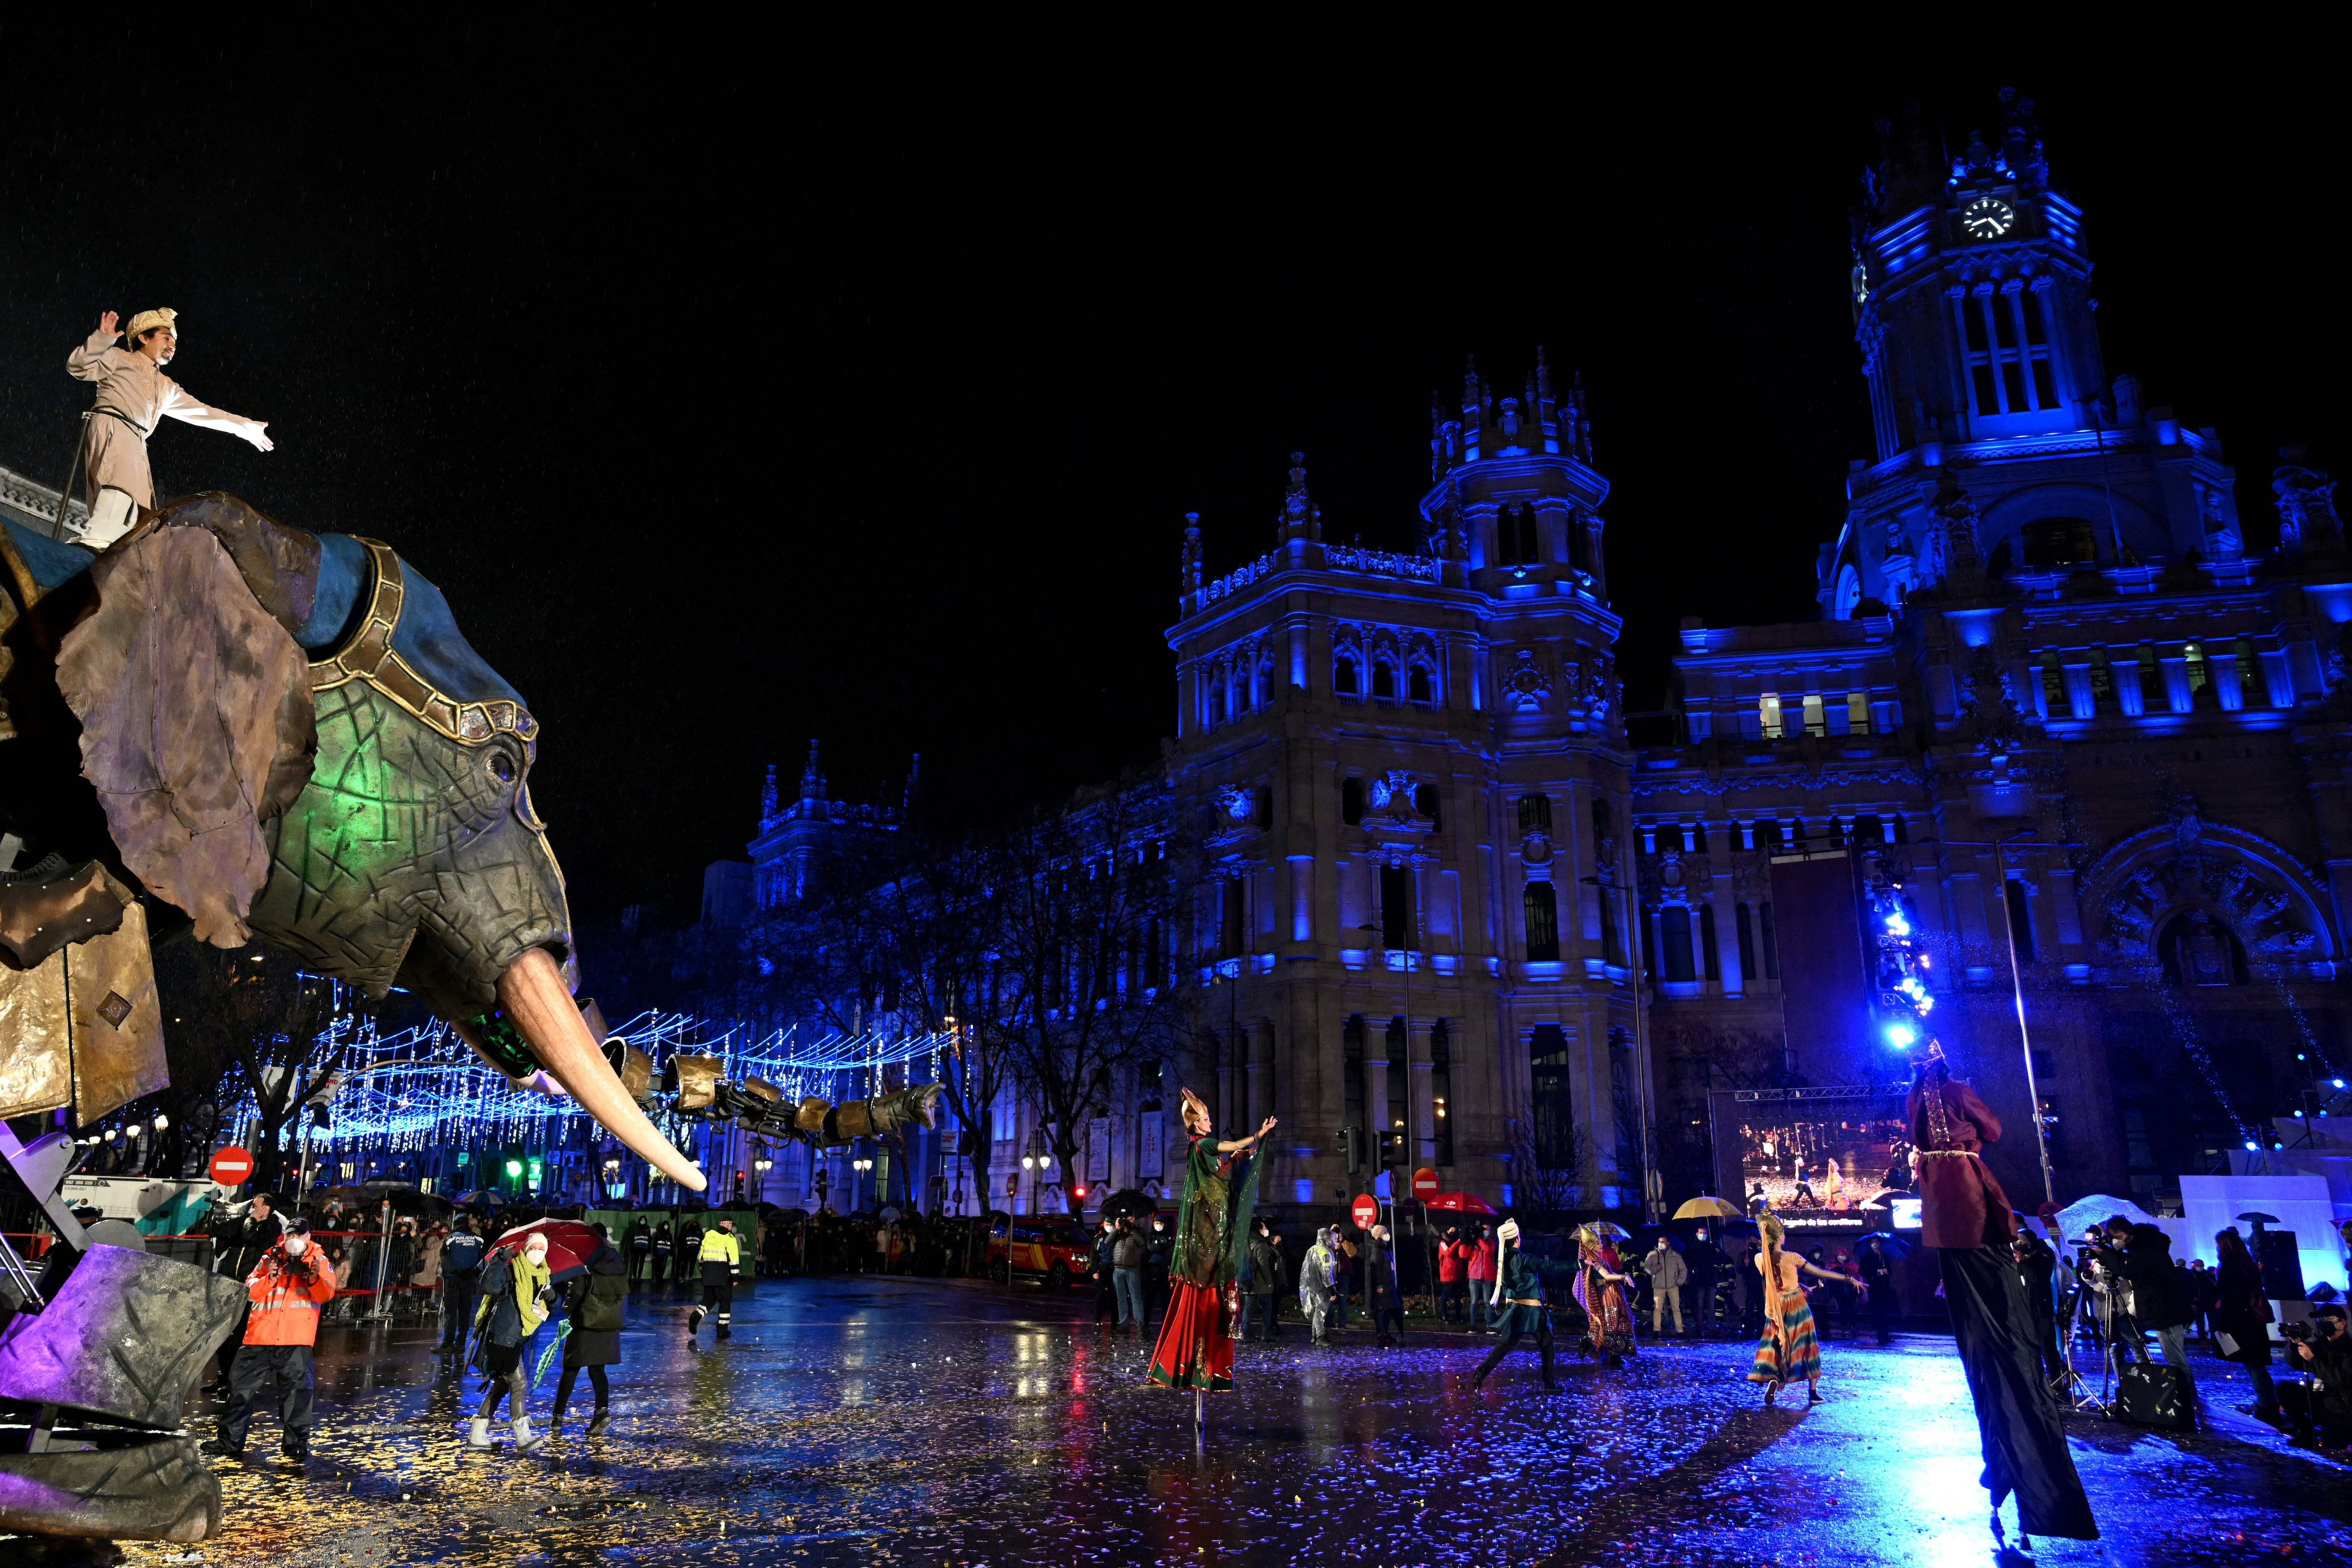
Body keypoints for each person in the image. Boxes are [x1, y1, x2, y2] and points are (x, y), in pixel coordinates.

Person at [1908, 1046, 2097, 1547]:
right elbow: (1991, 1131)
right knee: (2006, 1346)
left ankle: (2002, 1465)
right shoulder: (1956, 1091)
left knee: (1980, 1345)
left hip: (1941, 1216)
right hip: (1971, 1209)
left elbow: (1922, 1137)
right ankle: (2023, 1468)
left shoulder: (1913, 1098)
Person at [64, 309, 273, 550]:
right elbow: (78, 366)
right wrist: (103, 338)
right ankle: (98, 537)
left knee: (137, 505)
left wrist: (244, 426)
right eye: (166, 337)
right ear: (144, 338)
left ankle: (115, 546)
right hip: (115, 424)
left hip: (137, 439)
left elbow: (204, 412)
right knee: (118, 485)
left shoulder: (166, 386)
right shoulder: (119, 358)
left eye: (174, 340)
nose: (172, 344)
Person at [1144, 1089, 1274, 1392]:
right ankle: (1200, 1366)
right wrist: (1258, 1134)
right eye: (1206, 1118)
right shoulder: (1205, 1144)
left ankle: (1198, 1366)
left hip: (1212, 1224)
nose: (1210, 1121)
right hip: (1210, 1228)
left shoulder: (1199, 1151)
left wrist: (1239, 1159)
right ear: (1196, 1124)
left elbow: (1224, 1173)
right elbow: (1235, 1145)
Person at [202, 1217, 337, 1463]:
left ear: (309, 1237)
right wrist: (270, 1278)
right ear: (284, 1237)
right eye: (290, 1235)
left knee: (297, 1395)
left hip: (296, 1339)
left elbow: (326, 1294)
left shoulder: (319, 1261)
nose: (294, 1240)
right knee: (240, 1391)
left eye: (299, 1235)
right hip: (259, 1337)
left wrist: (313, 1277)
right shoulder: (269, 1259)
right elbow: (250, 1290)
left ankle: (295, 1443)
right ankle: (229, 1441)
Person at [1747, 1212, 1849, 1405]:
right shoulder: (1792, 1257)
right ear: (1779, 1237)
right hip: (1796, 1304)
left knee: (1777, 1344)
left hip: (1776, 1306)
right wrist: (1848, 1278)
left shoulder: (1760, 1258)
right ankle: (1813, 1392)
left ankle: (1775, 1379)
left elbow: (1777, 1281)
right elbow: (1821, 1272)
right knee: (1808, 1343)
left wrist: (1799, 1285)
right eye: (1783, 1232)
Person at [470, 1232, 555, 1451]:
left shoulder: (543, 1277)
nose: (537, 1252)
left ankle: (477, 1437)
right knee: (519, 1385)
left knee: (500, 1387)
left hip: (520, 1340)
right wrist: (499, 1259)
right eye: (533, 1248)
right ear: (525, 1250)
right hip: (502, 1338)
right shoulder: (511, 1271)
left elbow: (545, 1312)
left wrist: (555, 1299)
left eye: (542, 1249)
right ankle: (523, 1438)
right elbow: (488, 1286)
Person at [1469, 1219, 1576, 1391]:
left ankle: (1481, 1373)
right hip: (1532, 1312)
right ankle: (1549, 1383)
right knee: (1547, 1345)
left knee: (1503, 1347)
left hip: (1516, 1312)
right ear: (1517, 1239)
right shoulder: (1524, 1259)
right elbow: (1550, 1267)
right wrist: (1577, 1264)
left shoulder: (1502, 1261)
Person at [554, 1223, 628, 1437]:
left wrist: (567, 1307)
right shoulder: (617, 1260)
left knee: (570, 1369)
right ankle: (601, 1412)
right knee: (598, 1370)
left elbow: (576, 1292)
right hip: (608, 1323)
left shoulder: (588, 1259)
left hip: (585, 1322)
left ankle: (557, 1419)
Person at [2213, 1227, 2282, 1425]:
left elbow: (2231, 1300)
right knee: (2256, 1365)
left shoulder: (2228, 1269)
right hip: (2254, 1321)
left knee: (2254, 1366)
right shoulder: (2248, 1264)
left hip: (2241, 1323)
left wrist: (2222, 1324)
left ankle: (2268, 1406)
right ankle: (2268, 1403)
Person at [2118, 1221, 2194, 1399]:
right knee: (2175, 1355)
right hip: (2167, 1312)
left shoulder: (2147, 1256)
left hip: (2165, 1313)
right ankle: (2187, 1393)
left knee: (2175, 1357)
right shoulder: (2158, 1252)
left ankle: (2186, 1395)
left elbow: (2129, 1271)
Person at [2283, 1304, 2352, 1451]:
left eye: (2329, 1319)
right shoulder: (2321, 1344)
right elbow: (2296, 1364)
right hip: (2318, 1397)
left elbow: (2342, 1380)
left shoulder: (2349, 1348)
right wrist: (2295, 1345)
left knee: (2333, 1443)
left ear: (2343, 1323)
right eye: (2321, 1319)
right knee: (2284, 1389)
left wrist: (2313, 1360)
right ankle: (2307, 1433)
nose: (2324, 1322)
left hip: (2341, 1406)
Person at [1576, 1234, 1638, 1367]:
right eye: (1598, 1244)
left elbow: (1611, 1274)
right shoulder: (1594, 1263)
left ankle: (1613, 1354)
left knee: (1617, 1323)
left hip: (1611, 1294)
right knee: (1613, 1324)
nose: (1601, 1245)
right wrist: (1623, 1277)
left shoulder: (1596, 1259)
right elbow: (1607, 1276)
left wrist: (1624, 1277)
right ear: (1591, 1246)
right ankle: (1602, 1351)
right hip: (1608, 1297)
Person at [688, 1216, 743, 1341]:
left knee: (708, 1301)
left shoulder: (709, 1237)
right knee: (725, 1303)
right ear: (728, 1225)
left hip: (708, 1275)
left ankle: (695, 1318)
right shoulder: (730, 1239)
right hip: (723, 1277)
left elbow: (701, 1258)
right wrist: (735, 1278)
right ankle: (722, 1331)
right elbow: (733, 1260)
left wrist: (704, 1273)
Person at [441, 1216, 486, 1351]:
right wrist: (471, 1271)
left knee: (451, 1312)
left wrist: (455, 1270)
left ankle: (448, 1343)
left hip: (452, 1279)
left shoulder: (451, 1238)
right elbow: (481, 1260)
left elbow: (444, 1257)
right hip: (469, 1279)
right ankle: (461, 1343)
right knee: (465, 1312)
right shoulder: (478, 1239)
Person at [1241, 1218, 1283, 1341]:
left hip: (1248, 1281)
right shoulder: (1260, 1244)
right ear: (1259, 1230)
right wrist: (1269, 1283)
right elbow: (1264, 1265)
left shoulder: (1246, 1242)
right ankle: (1266, 1333)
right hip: (1261, 1283)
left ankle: (1245, 1333)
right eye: (1264, 1228)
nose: (1266, 1231)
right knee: (1267, 1308)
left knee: (1248, 1309)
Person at [1365, 1224, 1404, 1346]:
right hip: (1383, 1286)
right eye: (1384, 1233)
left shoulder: (1385, 1248)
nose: (1387, 1235)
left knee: (1388, 1309)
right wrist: (1379, 1284)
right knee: (1381, 1309)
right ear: (1379, 1235)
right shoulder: (1377, 1249)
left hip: (1389, 1284)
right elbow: (1375, 1267)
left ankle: (1385, 1332)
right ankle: (1381, 1334)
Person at [1300, 1227, 1339, 1347]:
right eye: (1333, 1239)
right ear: (1327, 1239)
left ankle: (1315, 1336)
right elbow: (1327, 1275)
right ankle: (1320, 1337)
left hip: (1311, 1286)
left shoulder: (1312, 1249)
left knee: (1317, 1312)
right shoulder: (1325, 1252)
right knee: (1321, 1313)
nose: (1335, 1242)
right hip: (1322, 1288)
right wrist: (1332, 1291)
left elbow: (1305, 1270)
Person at [1859, 1235, 1900, 1347]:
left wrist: (1886, 1272)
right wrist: (1875, 1273)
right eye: (1873, 1242)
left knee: (1886, 1313)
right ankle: (1881, 1336)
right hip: (1874, 1288)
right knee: (1877, 1314)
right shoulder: (1866, 1257)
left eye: (1877, 1242)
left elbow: (1890, 1271)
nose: (1875, 1244)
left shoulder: (1884, 1256)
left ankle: (1886, 1335)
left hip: (1885, 1288)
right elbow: (1862, 1271)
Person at [1643, 1236, 1688, 1337]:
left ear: (1668, 1243)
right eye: (1659, 1242)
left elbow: (1684, 1270)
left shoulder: (1675, 1256)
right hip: (1659, 1285)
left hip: (1673, 1285)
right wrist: (1655, 1269)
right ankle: (1657, 1330)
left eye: (1663, 1242)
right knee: (1658, 1308)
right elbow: (1646, 1268)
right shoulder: (1653, 1255)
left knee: (1676, 1308)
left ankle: (1680, 1330)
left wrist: (1679, 1282)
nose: (1661, 1244)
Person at [1111, 1215, 1148, 1331]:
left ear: (1134, 1219)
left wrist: (1131, 1229)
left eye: (1130, 1218)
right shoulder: (1118, 1232)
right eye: (1126, 1219)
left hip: (1133, 1268)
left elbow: (1143, 1243)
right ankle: (1124, 1323)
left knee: (1136, 1297)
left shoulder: (1139, 1231)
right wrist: (1117, 1229)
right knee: (1121, 1298)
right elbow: (1107, 1242)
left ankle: (1140, 1323)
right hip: (1118, 1269)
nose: (1128, 1221)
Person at [1685, 1227, 1724, 1336]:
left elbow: (1718, 1259)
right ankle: (1699, 1327)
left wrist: (1714, 1249)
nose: (1703, 1235)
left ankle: (1713, 1328)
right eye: (1701, 1233)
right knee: (1700, 1305)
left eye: (1705, 1233)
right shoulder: (1693, 1247)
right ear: (1697, 1234)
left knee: (1711, 1306)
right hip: (1699, 1281)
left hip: (1710, 1280)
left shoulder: (1711, 1247)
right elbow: (1691, 1261)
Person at [1144, 1213, 1175, 1329]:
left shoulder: (1169, 1237)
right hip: (1152, 1269)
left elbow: (1169, 1253)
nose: (1159, 1226)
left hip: (1164, 1270)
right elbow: (1150, 1248)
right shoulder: (1150, 1236)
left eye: (1161, 1224)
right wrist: (1162, 1246)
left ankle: (1166, 1324)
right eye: (1157, 1223)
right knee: (1149, 1299)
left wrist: (1160, 1247)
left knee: (1165, 1300)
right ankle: (1145, 1323)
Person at [1467, 1222, 1498, 1334]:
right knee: (1474, 1302)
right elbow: (1464, 1254)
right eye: (1483, 1229)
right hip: (1474, 1276)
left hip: (1486, 1276)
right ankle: (1473, 1325)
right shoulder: (1474, 1243)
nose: (1484, 1231)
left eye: (1486, 1229)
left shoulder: (1491, 1243)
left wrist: (1480, 1240)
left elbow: (1488, 1250)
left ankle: (1489, 1325)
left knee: (1487, 1302)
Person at [1436, 1227, 1468, 1325]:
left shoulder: (1458, 1244)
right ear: (1447, 1231)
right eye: (1451, 1230)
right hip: (1447, 1276)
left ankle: (1458, 1316)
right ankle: (1444, 1315)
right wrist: (1459, 1241)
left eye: (1455, 1230)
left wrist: (1463, 1242)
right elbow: (1448, 1253)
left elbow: (1463, 1255)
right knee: (1445, 1297)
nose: (1453, 1232)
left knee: (1458, 1298)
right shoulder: (1443, 1243)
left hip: (1457, 1275)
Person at [1091, 1220, 1120, 1326]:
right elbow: (1093, 1255)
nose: (1109, 1227)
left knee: (1113, 1296)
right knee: (1100, 1296)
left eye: (1111, 1225)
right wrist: (1095, 1271)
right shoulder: (1098, 1238)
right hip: (1101, 1270)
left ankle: (1114, 1320)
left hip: (1112, 1269)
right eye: (1107, 1225)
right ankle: (1097, 1320)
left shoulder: (1116, 1237)